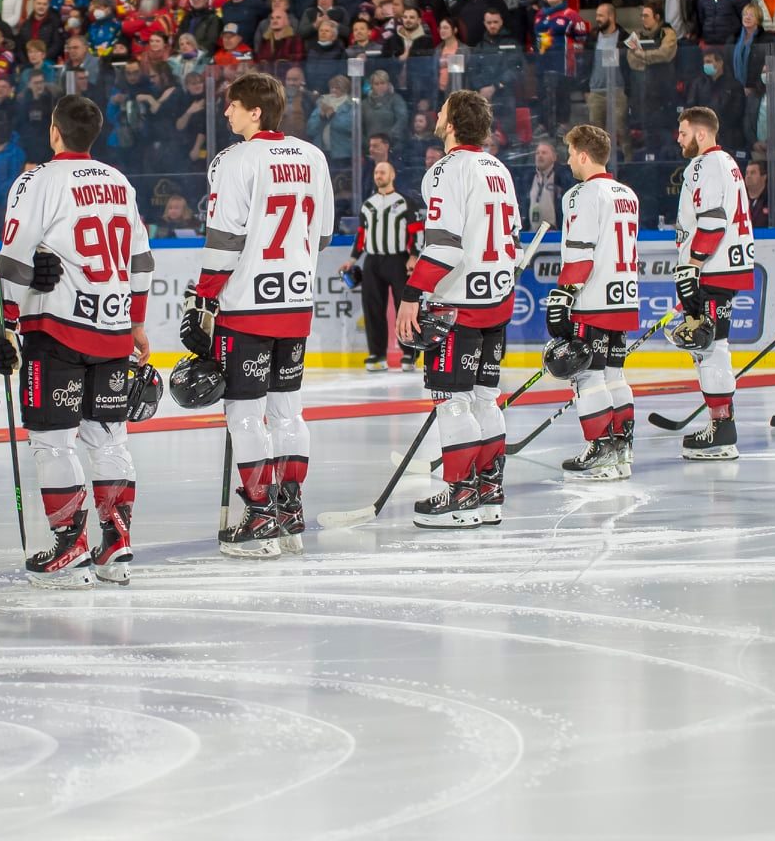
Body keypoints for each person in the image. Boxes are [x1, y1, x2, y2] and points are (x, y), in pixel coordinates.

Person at [0, 95, 154, 588]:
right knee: (109, 439)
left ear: (54, 131)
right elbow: (141, 261)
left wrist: (2, 320)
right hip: (110, 331)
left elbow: (16, 261)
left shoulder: (36, 180)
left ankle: (70, 547)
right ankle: (117, 542)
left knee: (52, 441)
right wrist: (136, 322)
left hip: (57, 331)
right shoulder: (118, 182)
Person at [181, 71, 334, 558]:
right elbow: (324, 234)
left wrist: (204, 296)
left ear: (256, 112)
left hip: (247, 306)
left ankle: (260, 515)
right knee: (288, 409)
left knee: (245, 414)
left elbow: (224, 239)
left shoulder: (236, 160)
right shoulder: (314, 156)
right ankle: (289, 510)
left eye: (234, 105)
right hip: (296, 301)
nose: (227, 112)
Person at [397, 90, 522, 529]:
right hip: (497, 302)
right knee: (486, 398)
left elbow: (445, 247)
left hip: (458, 305)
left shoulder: (444, 170)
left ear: (451, 124)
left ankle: (460, 493)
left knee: (452, 402)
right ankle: (488, 492)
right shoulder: (498, 169)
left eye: (442, 109)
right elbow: (513, 239)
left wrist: (412, 294)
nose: (436, 112)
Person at [550, 124, 639, 481]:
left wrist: (563, 295)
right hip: (623, 296)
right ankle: (621, 451)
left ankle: (600, 448)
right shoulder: (627, 194)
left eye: (571, 152)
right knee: (615, 375)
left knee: (588, 376)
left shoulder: (580, 194)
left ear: (584, 156)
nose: (568, 159)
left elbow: (581, 253)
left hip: (592, 297)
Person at [671, 106, 754, 461]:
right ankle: (721, 425)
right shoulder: (726, 163)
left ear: (701, 134)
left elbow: (713, 218)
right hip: (719, 266)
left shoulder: (706, 164)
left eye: (683, 132)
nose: (679, 138)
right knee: (709, 346)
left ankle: (722, 431)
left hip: (714, 268)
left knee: (711, 347)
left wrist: (693, 264)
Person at [344, 159, 420, 372]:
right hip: (373, 261)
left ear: (392, 175)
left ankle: (409, 353)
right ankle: (377, 354)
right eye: (377, 172)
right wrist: (352, 259)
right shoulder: (368, 205)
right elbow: (361, 235)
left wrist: (413, 255)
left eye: (383, 172)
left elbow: (416, 231)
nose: (379, 175)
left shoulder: (405, 202)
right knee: (372, 308)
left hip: (398, 260)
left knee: (403, 307)